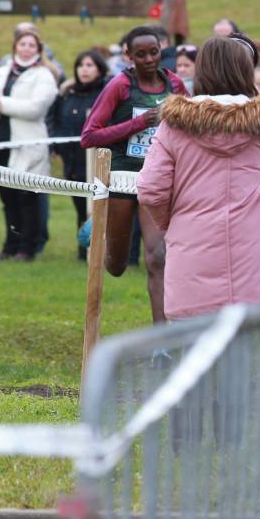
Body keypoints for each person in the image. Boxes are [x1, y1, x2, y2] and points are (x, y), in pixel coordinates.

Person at [138, 36, 260, 321]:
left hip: (191, 239)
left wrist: (172, 223)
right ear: (246, 73)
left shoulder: (174, 124)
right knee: (249, 342)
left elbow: (151, 190)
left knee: (195, 344)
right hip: (251, 244)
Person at [81, 25, 188, 321]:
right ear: (129, 56)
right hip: (122, 177)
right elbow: (89, 136)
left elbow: (192, 127)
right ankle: (98, 232)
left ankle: (161, 338)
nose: (149, 59)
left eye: (154, 52)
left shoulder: (175, 86)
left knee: (157, 257)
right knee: (116, 265)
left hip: (157, 179)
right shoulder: (120, 86)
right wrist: (140, 124)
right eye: (141, 55)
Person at [0, 29, 59, 261]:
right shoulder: (2, 72)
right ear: (15, 46)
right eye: (22, 44)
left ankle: (27, 248)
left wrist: (0, 103)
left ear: (38, 50)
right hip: (1, 143)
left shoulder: (43, 75)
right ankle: (10, 246)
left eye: (31, 45)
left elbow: (35, 109)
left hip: (27, 144)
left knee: (27, 198)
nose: (26, 49)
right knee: (7, 198)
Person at [49, 50, 109, 260]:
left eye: (90, 65)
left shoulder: (106, 93)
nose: (84, 69)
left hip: (97, 161)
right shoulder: (67, 93)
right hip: (71, 159)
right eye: (81, 65)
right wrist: (56, 144)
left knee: (98, 208)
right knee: (80, 207)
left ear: (99, 69)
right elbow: (54, 120)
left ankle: (103, 253)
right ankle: (83, 253)